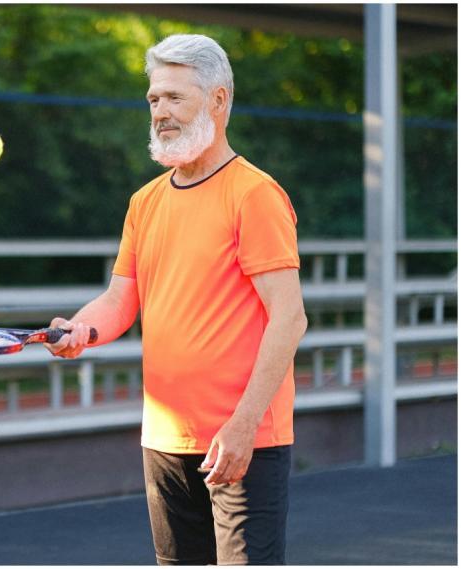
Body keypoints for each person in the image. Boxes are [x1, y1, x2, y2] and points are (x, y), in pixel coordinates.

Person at [45, 34, 307, 565]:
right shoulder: (145, 201)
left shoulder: (254, 195)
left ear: (219, 100)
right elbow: (121, 299)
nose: (160, 111)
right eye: (153, 100)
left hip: (241, 441)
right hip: (164, 438)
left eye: (175, 98)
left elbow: (290, 318)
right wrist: (81, 329)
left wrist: (244, 425)